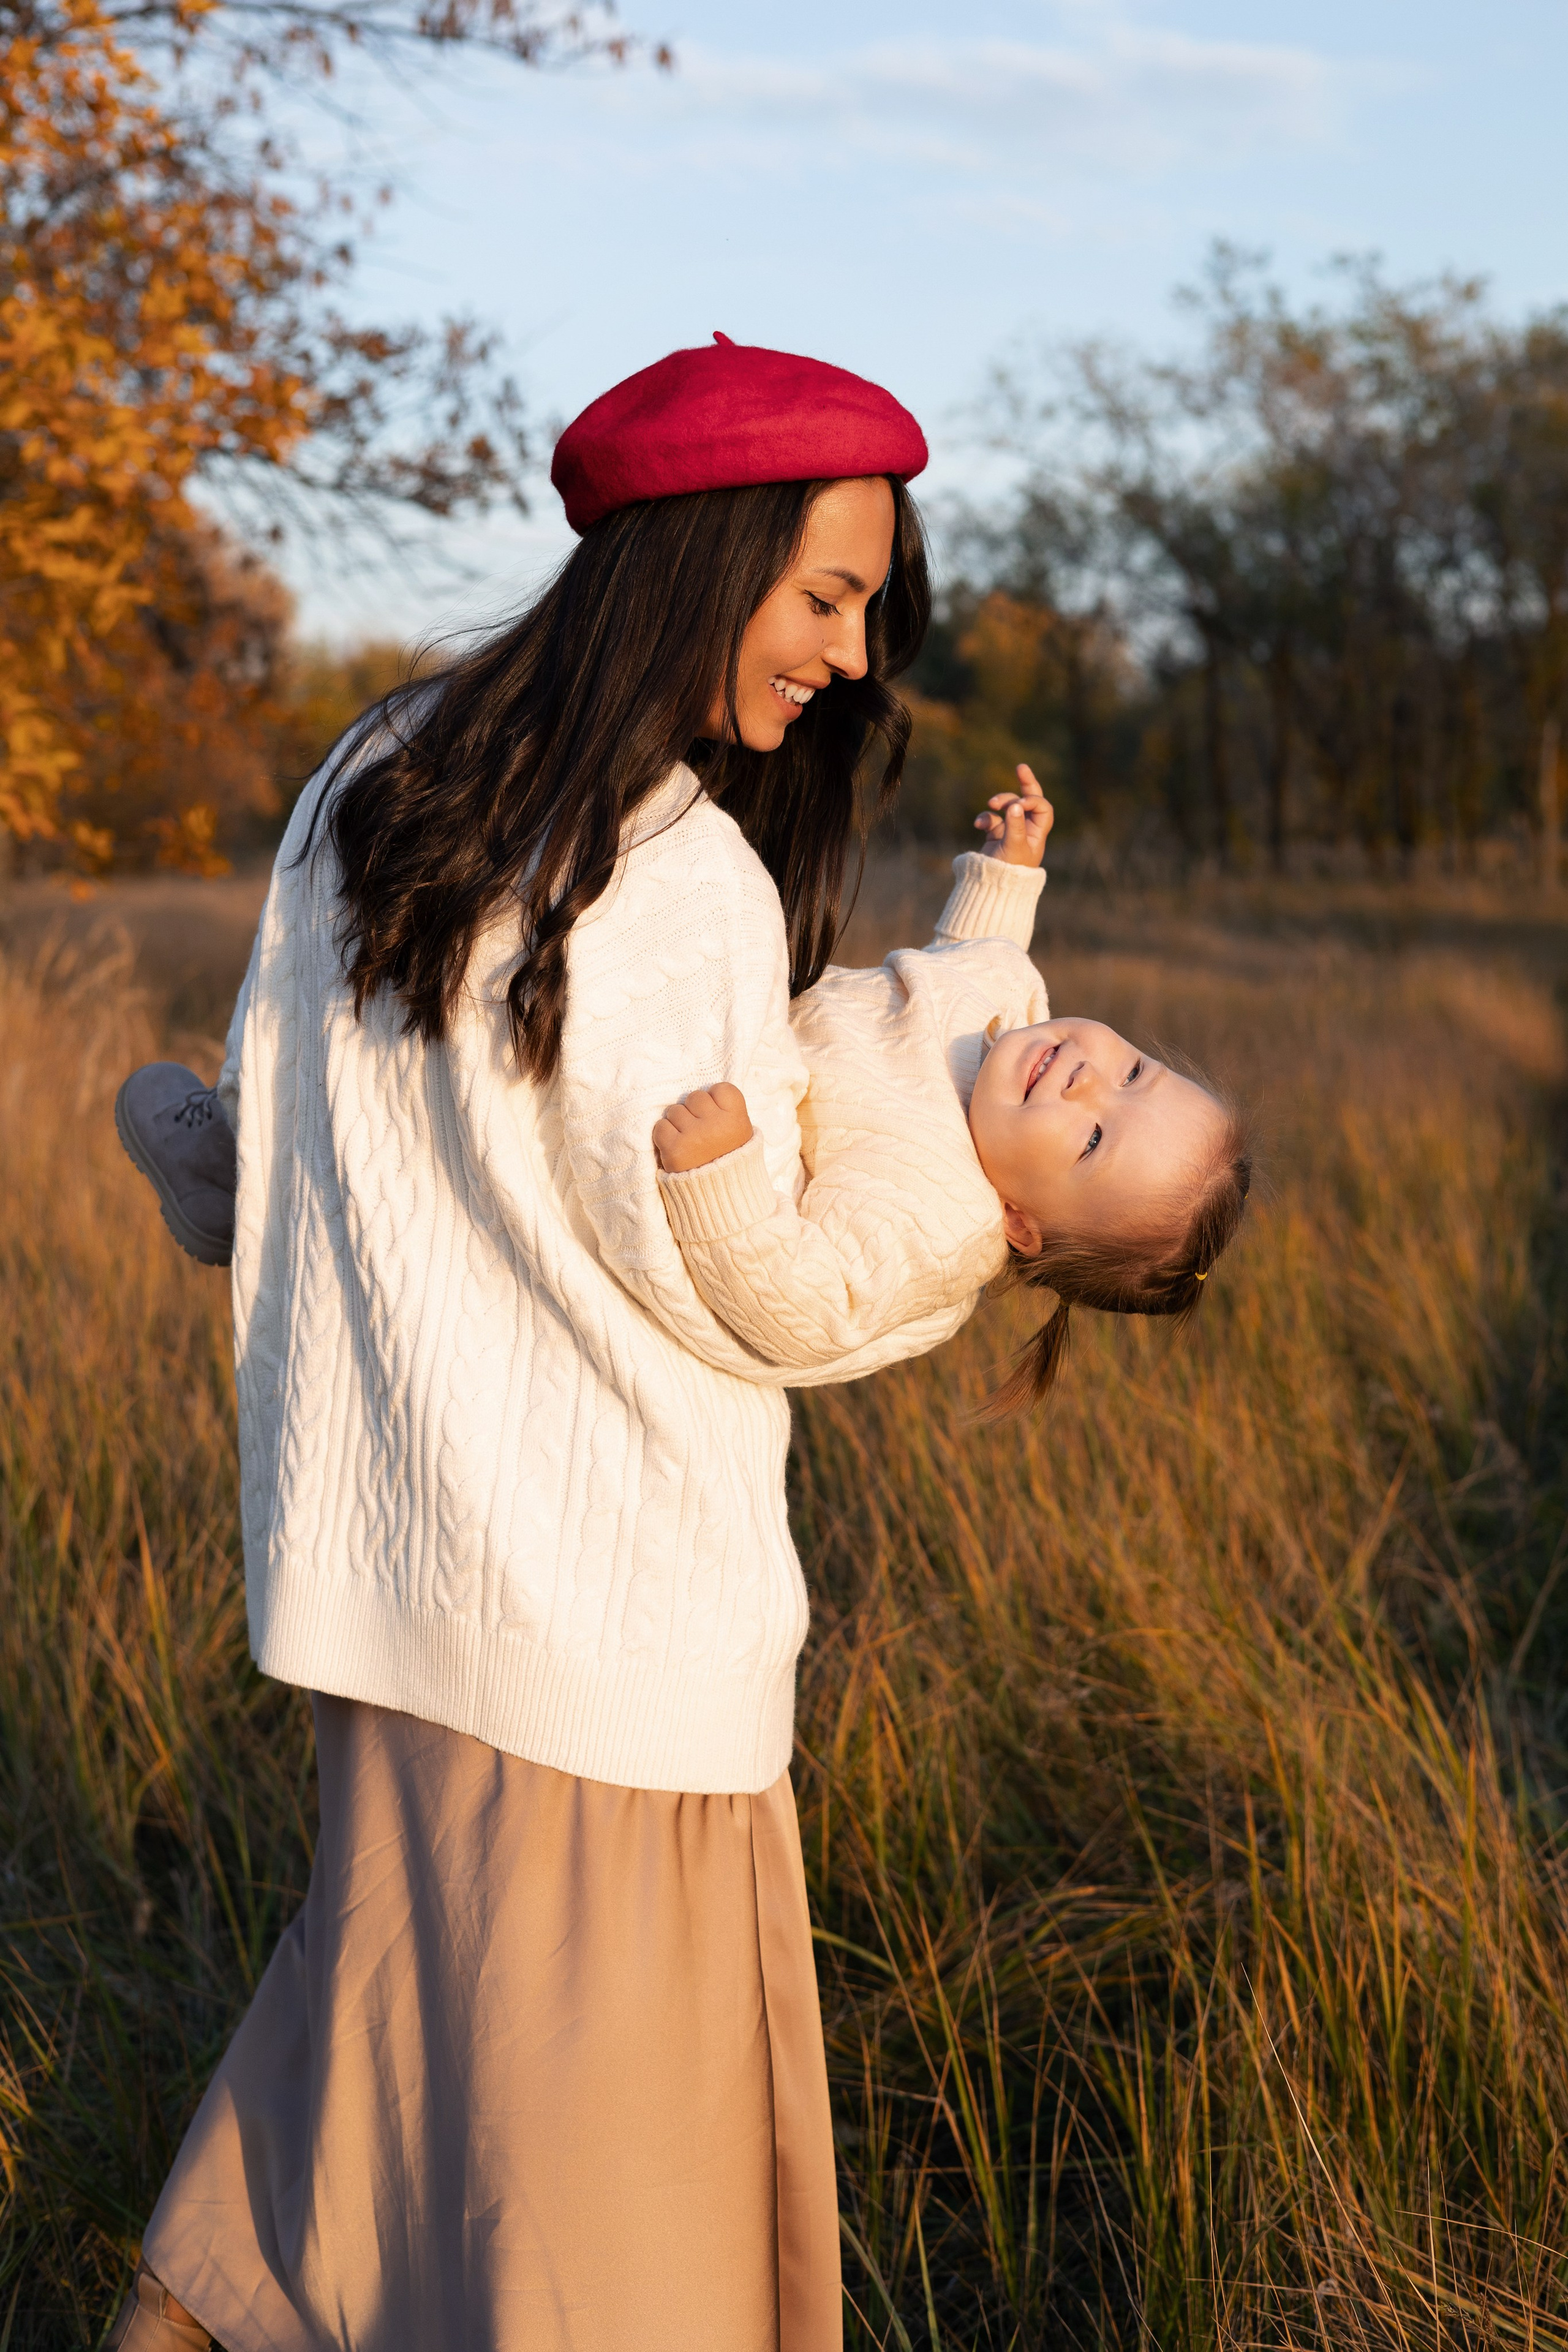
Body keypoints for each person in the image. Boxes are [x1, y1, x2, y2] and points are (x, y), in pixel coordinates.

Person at [105, 334, 982, 2352]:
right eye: (830, 595)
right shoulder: (674, 888)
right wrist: (970, 1239)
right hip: (607, 1673)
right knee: (597, 2253)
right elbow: (726, 1289)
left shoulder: (365, 781)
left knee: (388, 2117)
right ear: (702, 553)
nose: (853, 660)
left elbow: (281, 1161)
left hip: (380, 1622)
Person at [652, 771, 1250, 1412]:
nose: (1087, 1081)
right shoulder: (1016, 1020)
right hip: (727, 983)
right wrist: (1007, 870)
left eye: (1094, 1140)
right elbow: (965, 966)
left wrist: (722, 1178)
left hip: (696, 1074)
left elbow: (809, 1308)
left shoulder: (938, 1218)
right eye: (1133, 1073)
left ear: (1020, 1223)